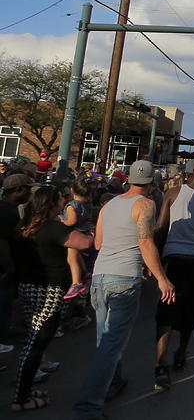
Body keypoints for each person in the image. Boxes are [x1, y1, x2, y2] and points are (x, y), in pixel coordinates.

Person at [71, 160, 175, 420]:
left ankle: (112, 383)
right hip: (124, 279)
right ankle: (87, 407)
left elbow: (98, 242)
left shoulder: (109, 204)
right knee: (111, 345)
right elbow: (145, 241)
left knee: (104, 339)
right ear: (152, 184)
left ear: (128, 179)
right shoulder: (146, 204)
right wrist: (162, 277)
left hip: (101, 276)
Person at [12, 186, 92, 412]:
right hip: (49, 289)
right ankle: (21, 398)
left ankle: (24, 389)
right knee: (36, 343)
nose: (64, 202)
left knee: (33, 339)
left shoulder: (24, 227)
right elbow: (84, 243)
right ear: (51, 203)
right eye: (60, 199)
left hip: (28, 287)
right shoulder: (53, 228)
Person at [153, 158, 194, 391]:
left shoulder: (171, 192)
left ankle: (161, 365)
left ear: (186, 173)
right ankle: (181, 352)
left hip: (172, 257)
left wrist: (155, 258)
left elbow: (161, 227)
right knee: (190, 310)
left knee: (166, 310)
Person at [0, 173, 34, 354]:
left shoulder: (10, 209)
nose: (30, 192)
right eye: (28, 189)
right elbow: (2, 241)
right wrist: (9, 267)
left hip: (9, 267)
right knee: (3, 302)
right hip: (4, 269)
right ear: (18, 190)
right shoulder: (5, 211)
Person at [61, 178, 95, 300]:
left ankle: (76, 283)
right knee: (78, 256)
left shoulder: (72, 205)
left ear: (72, 190)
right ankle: (86, 273)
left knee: (71, 259)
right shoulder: (88, 204)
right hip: (85, 232)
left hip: (75, 233)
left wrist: (60, 221)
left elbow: (71, 221)